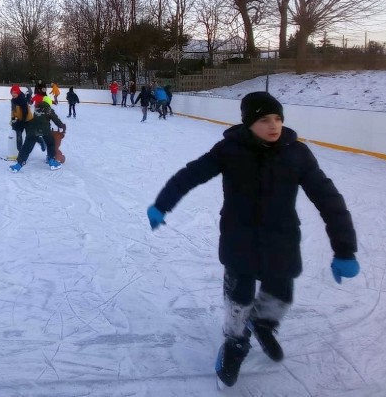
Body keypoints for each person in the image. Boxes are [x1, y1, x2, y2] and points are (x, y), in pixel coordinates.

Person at [146, 92, 360, 387]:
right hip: (239, 237)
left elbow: (329, 199)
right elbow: (190, 175)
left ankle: (263, 324)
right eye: (264, 120)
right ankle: (235, 343)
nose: (274, 126)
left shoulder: (296, 153)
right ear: (249, 123)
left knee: (281, 294)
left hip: (281, 238)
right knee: (239, 299)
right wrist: (162, 204)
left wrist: (344, 248)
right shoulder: (229, 150)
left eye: (278, 118)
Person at [10, 96, 65, 172]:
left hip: (32, 130)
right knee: (51, 143)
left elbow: (31, 117)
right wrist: (62, 126)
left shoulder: (36, 108)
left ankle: (19, 164)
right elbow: (56, 120)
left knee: (26, 147)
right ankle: (51, 160)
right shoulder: (49, 109)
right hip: (45, 130)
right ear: (49, 103)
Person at [9, 84, 33, 155]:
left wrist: (22, 121)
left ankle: (40, 141)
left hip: (28, 119)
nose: (13, 94)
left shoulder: (22, 99)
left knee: (30, 136)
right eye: (12, 93)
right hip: (20, 119)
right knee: (18, 134)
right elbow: (13, 110)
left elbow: (25, 111)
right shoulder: (13, 101)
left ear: (18, 92)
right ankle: (20, 151)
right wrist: (12, 119)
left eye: (15, 93)